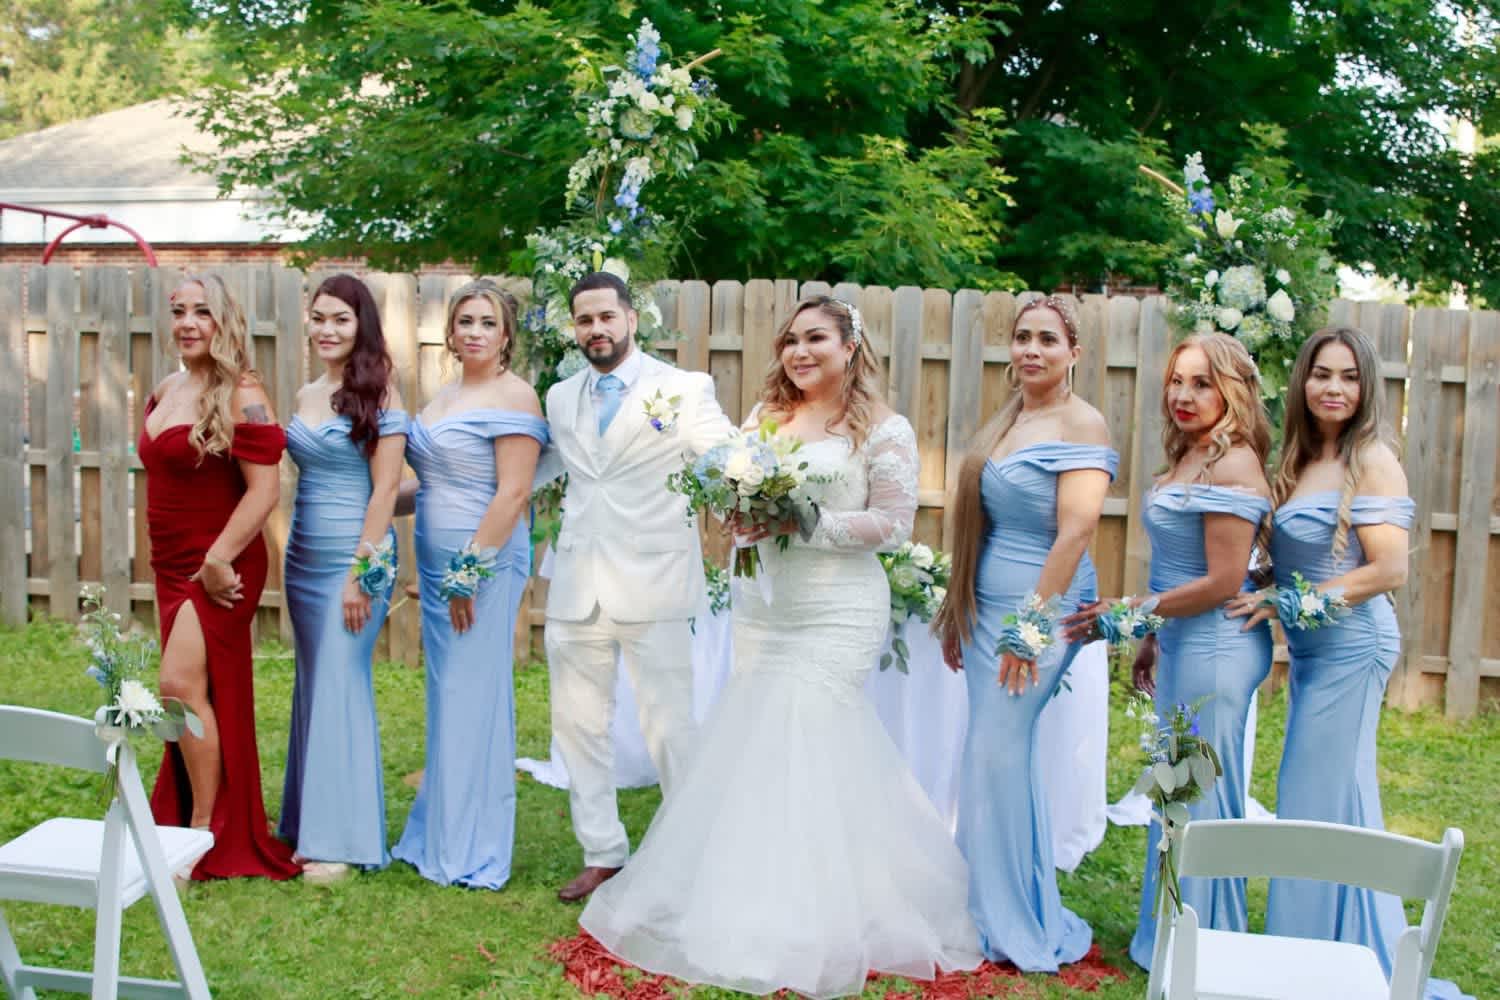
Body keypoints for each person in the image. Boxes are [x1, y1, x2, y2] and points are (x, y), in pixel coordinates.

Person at [581, 295, 982, 997]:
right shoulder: (765, 419)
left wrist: (807, 521)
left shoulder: (883, 429)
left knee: (811, 737)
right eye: (791, 341)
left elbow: (892, 524)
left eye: (816, 338)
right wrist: (738, 510)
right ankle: (751, 894)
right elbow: (730, 494)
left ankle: (821, 913)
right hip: (765, 607)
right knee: (761, 743)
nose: (799, 352)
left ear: (851, 346)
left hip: (837, 609)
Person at [1225, 328, 1471, 1000]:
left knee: (1314, 798)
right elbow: (1289, 558)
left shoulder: (1374, 460)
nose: (1333, 388)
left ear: (1367, 388)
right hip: (1314, 652)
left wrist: (1284, 602)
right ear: (1303, 381)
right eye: (1321, 374)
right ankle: (1339, 953)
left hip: (1354, 648)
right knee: (1335, 799)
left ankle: (1312, 963)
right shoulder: (1300, 459)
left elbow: (1387, 571)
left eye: (1349, 377)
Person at [1068, 332, 1273, 969]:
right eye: (1177, 381)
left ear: (1232, 391)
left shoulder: (1234, 464)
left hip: (1218, 645)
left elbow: (1223, 581)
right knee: (1178, 789)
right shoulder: (1191, 454)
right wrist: (1155, 637)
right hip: (1184, 639)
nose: (1183, 395)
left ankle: (1206, 947)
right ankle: (1174, 934)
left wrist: (1131, 614)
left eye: (1202, 383)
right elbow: (1180, 567)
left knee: (1198, 793)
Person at [932, 295, 1115, 972]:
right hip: (986, 607)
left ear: (1074, 353)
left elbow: (1077, 531)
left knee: (997, 752)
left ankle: (1010, 918)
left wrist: (1031, 629)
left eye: (1047, 339)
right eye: (1022, 337)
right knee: (992, 754)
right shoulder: (1009, 417)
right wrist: (959, 610)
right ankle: (993, 901)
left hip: (1041, 610)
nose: (1031, 349)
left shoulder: (1082, 422)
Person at [541, 271, 735, 902]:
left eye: (606, 316)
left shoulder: (682, 388)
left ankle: (689, 857)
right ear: (574, 329)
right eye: (584, 320)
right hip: (577, 582)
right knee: (577, 726)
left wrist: (753, 491)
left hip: (655, 581)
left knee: (670, 726)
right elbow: (546, 469)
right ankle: (603, 853)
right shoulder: (559, 396)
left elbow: (722, 458)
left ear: (631, 317)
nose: (596, 329)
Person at [140, 273, 300, 880]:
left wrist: (216, 559)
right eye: (178, 310)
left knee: (178, 685)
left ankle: (203, 833)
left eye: (202, 311)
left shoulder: (243, 391)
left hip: (221, 564)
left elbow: (265, 491)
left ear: (224, 320)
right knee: (190, 691)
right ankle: (190, 818)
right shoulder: (167, 388)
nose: (187, 323)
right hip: (170, 561)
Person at [391, 280, 545, 889]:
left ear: (506, 335)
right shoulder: (445, 397)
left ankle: (471, 846)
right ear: (450, 334)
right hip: (438, 569)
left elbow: (513, 492)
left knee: (470, 695)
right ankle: (439, 829)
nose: (475, 332)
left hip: (483, 566)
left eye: (487, 322)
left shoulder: (517, 396)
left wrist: (467, 572)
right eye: (465, 322)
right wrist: (368, 504)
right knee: (446, 696)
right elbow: (432, 484)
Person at [279, 274, 407, 883]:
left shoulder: (380, 389)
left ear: (362, 326)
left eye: (341, 319)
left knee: (339, 681)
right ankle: (307, 821)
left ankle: (341, 841)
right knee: (314, 685)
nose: (327, 330)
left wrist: (361, 572)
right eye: (320, 317)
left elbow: (386, 488)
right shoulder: (306, 393)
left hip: (357, 559)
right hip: (303, 557)